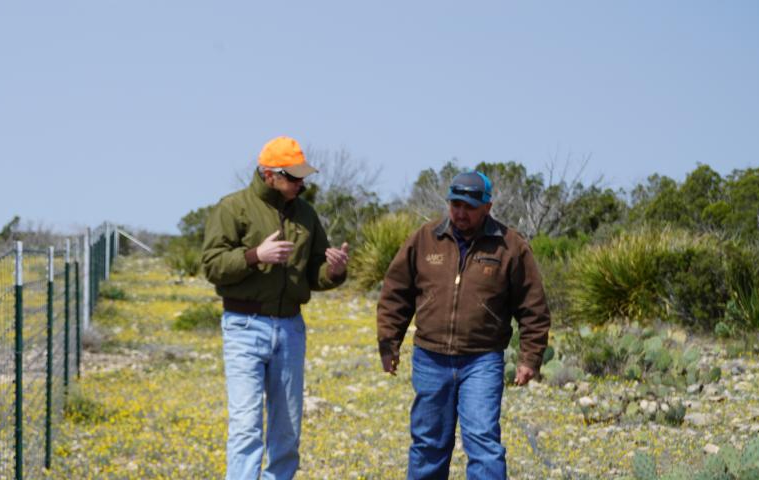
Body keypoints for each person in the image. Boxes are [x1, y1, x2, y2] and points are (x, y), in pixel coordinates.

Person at [376, 171, 551, 480]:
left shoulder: (510, 246)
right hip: (430, 358)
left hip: (482, 361)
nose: (460, 213)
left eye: (469, 206)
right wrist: (389, 344)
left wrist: (530, 358)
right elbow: (395, 293)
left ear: (487, 207)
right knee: (428, 443)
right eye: (455, 204)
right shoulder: (425, 239)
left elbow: (532, 305)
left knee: (483, 442)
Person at [201, 136, 350, 480]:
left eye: (303, 176)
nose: (301, 183)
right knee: (246, 427)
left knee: (287, 430)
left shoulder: (307, 214)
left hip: (290, 329)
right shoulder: (232, 208)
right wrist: (255, 256)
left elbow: (315, 272)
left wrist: (335, 270)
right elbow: (211, 266)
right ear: (269, 175)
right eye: (293, 177)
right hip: (243, 326)